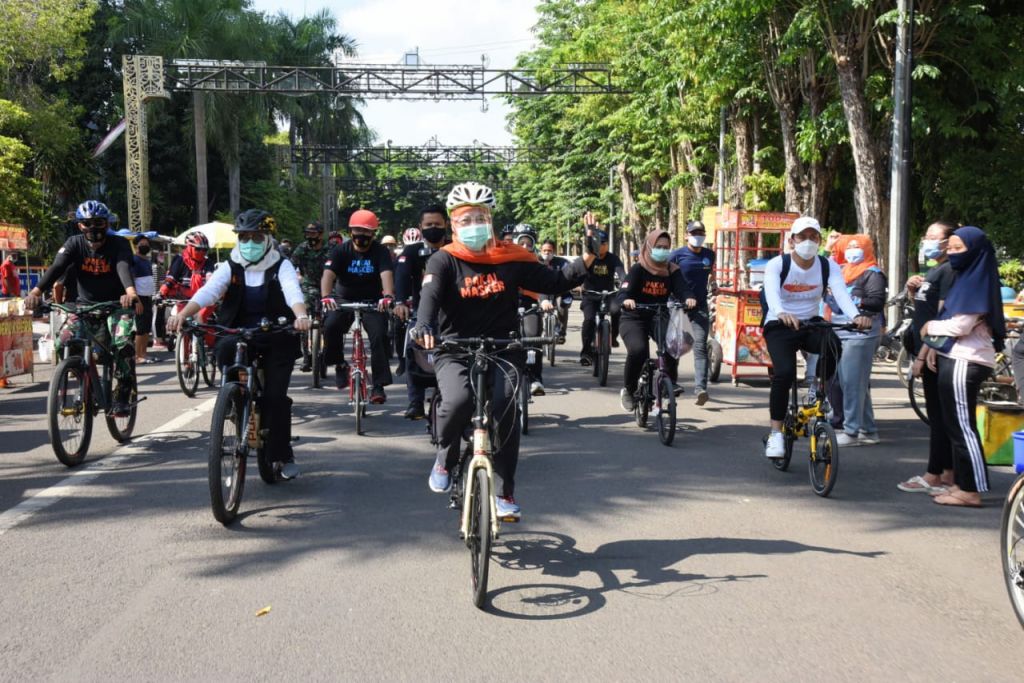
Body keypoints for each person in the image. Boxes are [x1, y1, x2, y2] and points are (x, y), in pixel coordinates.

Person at [413, 182, 594, 519]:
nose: (473, 225)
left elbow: (555, 282)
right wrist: (423, 325)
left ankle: (504, 490)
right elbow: (429, 297)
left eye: (480, 217)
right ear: (453, 224)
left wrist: (589, 255)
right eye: (465, 219)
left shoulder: (512, 258)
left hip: (504, 347)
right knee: (458, 402)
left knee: (506, 410)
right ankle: (445, 457)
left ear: (491, 219)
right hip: (455, 349)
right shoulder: (444, 260)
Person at [166, 209, 311, 479]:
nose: (249, 242)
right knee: (223, 348)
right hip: (238, 329)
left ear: (268, 238)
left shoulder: (282, 264)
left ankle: (282, 453)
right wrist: (184, 314)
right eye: (244, 237)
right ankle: (232, 398)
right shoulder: (229, 265)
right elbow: (209, 291)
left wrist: (300, 315)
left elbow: (293, 291)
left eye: (256, 237)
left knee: (275, 398)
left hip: (276, 332)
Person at [762, 217, 872, 458]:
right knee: (784, 373)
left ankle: (818, 389)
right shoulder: (778, 264)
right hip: (779, 324)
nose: (808, 242)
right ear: (792, 241)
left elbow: (841, 293)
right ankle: (776, 434)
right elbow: (771, 293)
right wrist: (781, 312)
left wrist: (856, 316)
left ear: (820, 241)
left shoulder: (826, 265)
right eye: (803, 237)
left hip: (811, 323)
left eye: (814, 237)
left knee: (833, 344)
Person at [24, 200, 141, 415]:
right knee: (64, 341)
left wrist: (131, 293)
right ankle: (85, 378)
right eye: (87, 223)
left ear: (107, 224)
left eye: (99, 222)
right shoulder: (73, 243)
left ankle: (123, 393)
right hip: (83, 306)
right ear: (80, 226)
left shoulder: (120, 244)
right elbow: (57, 268)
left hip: (117, 305)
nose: (93, 228)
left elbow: (122, 266)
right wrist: (36, 292)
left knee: (123, 343)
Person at [915, 226, 1004, 507]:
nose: (952, 253)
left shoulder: (977, 280)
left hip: (967, 360)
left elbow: (961, 324)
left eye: (958, 248)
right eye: (949, 248)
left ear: (974, 250)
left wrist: (931, 327)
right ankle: (962, 484)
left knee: (963, 427)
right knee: (955, 426)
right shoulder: (968, 277)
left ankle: (971, 489)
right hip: (957, 357)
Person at [898, 221, 959, 493]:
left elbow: (944, 316)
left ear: (949, 241)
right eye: (926, 236)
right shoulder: (935, 270)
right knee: (938, 415)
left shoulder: (950, 271)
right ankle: (946, 472)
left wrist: (925, 353)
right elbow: (924, 311)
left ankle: (935, 474)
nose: (928, 241)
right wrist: (913, 292)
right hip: (927, 348)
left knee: (940, 416)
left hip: (937, 352)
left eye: (934, 237)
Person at [321, 209, 395, 403]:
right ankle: (339, 364)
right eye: (357, 230)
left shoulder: (381, 251)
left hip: (373, 301)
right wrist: (326, 296)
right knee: (330, 326)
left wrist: (387, 296)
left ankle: (378, 386)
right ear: (350, 231)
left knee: (380, 336)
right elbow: (328, 275)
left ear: (373, 234)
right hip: (344, 300)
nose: (361, 235)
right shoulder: (340, 251)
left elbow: (386, 273)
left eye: (367, 231)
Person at [617, 230, 697, 411]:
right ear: (649, 246)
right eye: (659, 247)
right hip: (634, 316)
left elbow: (683, 289)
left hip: (658, 314)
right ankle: (629, 390)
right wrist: (626, 300)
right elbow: (624, 291)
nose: (663, 250)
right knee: (638, 351)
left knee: (673, 344)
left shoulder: (671, 270)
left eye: (666, 248)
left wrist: (689, 298)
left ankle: (669, 381)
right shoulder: (639, 269)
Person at [825, 234, 887, 446]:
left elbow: (877, 301)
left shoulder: (873, 273)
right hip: (842, 331)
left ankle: (851, 432)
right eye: (849, 246)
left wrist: (852, 301)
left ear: (867, 249)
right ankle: (868, 430)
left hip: (862, 333)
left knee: (852, 383)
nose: (853, 250)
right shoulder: (842, 271)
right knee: (853, 382)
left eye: (857, 246)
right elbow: (831, 296)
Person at [394, 204, 449, 419]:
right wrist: (399, 301)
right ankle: (415, 402)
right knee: (412, 350)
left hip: (453, 316)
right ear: (421, 227)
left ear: (446, 224)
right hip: (421, 312)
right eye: (428, 225)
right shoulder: (412, 251)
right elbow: (400, 277)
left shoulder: (456, 248)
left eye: (437, 224)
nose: (433, 228)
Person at [669, 220, 718, 406]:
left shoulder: (709, 255)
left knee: (700, 346)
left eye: (700, 232)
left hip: (699, 307)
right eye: (694, 232)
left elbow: (710, 273)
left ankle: (701, 389)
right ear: (686, 235)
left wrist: (714, 285)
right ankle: (670, 383)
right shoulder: (676, 255)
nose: (698, 236)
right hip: (677, 306)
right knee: (675, 347)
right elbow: (667, 276)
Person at [579, 226, 626, 366]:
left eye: (603, 243)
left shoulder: (613, 259)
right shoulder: (589, 257)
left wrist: (626, 285)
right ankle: (586, 352)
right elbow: (578, 272)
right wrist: (578, 285)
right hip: (590, 295)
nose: (601, 246)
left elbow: (622, 274)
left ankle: (612, 338)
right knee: (589, 320)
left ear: (607, 244)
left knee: (617, 311)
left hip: (609, 295)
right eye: (598, 243)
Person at [512, 224, 547, 395]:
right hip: (508, 304)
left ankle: (535, 379)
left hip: (530, 305)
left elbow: (546, 284)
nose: (525, 247)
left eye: (528, 243)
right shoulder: (505, 261)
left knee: (533, 338)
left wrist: (545, 300)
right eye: (521, 243)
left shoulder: (537, 263)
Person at [290, 221, 330, 372]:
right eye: (308, 233)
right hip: (308, 286)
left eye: (313, 234)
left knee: (329, 321)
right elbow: (290, 265)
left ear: (320, 234)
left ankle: (326, 354)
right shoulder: (302, 248)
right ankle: (306, 358)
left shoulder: (330, 249)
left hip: (328, 288)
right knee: (303, 318)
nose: (310, 237)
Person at [539, 239, 572, 343]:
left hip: (558, 291)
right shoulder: (536, 261)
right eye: (544, 250)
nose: (546, 253)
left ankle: (561, 333)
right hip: (540, 291)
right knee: (534, 309)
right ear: (541, 250)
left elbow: (570, 272)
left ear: (554, 251)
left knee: (562, 305)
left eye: (549, 250)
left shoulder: (562, 262)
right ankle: (537, 333)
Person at [131, 236, 157, 364]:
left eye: (146, 244)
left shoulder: (147, 261)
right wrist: (137, 300)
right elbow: (132, 281)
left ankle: (144, 353)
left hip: (148, 297)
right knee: (141, 328)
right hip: (139, 298)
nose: (145, 246)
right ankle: (137, 355)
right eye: (142, 244)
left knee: (147, 327)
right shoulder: (134, 260)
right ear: (136, 246)